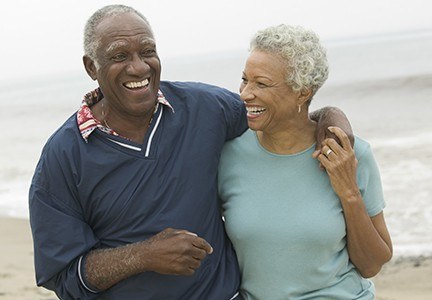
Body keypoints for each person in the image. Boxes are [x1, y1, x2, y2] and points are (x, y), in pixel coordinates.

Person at [29, 5, 353, 300]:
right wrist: (143, 256)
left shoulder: (205, 107)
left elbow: (280, 117)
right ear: (91, 67)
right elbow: (65, 277)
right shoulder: (62, 157)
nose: (138, 67)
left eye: (148, 52)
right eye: (119, 56)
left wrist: (330, 117)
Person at [218, 24, 393, 299]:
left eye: (261, 83)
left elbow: (372, 264)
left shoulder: (350, 154)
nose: (245, 94)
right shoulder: (227, 156)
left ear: (303, 92)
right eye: (244, 79)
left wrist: (348, 192)